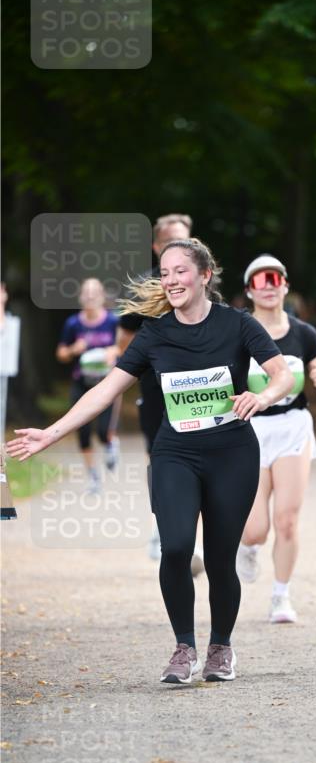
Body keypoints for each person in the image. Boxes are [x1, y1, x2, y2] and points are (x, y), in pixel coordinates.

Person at [9, 239, 293, 685]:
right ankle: (184, 646)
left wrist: (262, 396)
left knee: (221, 559)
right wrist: (52, 432)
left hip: (231, 455)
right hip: (175, 453)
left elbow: (283, 374)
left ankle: (221, 647)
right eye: (165, 273)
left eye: (181, 271)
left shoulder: (237, 325)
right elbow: (105, 390)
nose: (171, 280)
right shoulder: (155, 334)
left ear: (204, 276)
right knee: (176, 546)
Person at [236, 255, 316, 623]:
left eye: (274, 279)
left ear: (284, 286)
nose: (268, 286)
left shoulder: (304, 334)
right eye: (260, 281)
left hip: (293, 428)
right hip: (250, 430)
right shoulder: (239, 333)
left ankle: (281, 596)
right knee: (255, 529)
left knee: (287, 520)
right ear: (249, 289)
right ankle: (247, 547)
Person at [116, 213, 193, 560]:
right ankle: (162, 525)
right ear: (156, 246)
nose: (179, 249)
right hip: (156, 391)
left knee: (202, 460)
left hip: (197, 390)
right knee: (160, 460)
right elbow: (123, 343)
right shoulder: (145, 287)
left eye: (186, 242)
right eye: (171, 242)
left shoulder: (204, 283)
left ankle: (196, 533)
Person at [55, 277, 120, 494]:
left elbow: (125, 347)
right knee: (82, 431)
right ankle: (93, 477)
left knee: (102, 431)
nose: (91, 296)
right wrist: (74, 349)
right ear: (81, 297)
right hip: (81, 382)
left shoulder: (112, 321)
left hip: (107, 383)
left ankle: (110, 443)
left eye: (95, 292)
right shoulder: (73, 323)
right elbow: (61, 354)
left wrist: (113, 353)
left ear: (102, 296)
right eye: (87, 293)